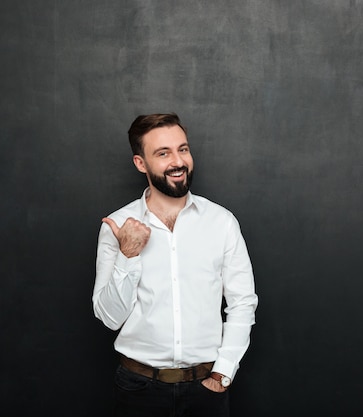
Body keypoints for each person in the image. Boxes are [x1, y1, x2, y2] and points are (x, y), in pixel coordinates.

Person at [93, 113, 258, 417]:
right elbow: (109, 319)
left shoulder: (221, 222)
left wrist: (223, 372)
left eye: (183, 149)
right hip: (138, 389)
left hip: (206, 390)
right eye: (163, 153)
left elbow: (242, 302)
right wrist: (128, 254)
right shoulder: (117, 226)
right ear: (140, 163)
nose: (178, 161)